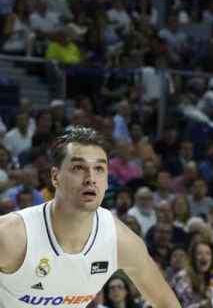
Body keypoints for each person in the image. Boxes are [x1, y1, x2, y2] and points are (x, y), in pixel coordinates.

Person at [0, 126, 180, 307]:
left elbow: (167, 303)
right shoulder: (12, 236)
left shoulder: (119, 241)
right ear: (56, 177)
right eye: (78, 167)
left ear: (107, 181)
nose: (90, 178)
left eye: (99, 169)